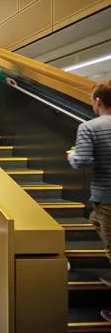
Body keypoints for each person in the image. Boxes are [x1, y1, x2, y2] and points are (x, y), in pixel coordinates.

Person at [67, 81, 111, 322]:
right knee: (95, 220)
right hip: (101, 204)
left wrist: (72, 155)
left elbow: (82, 161)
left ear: (97, 101)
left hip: (107, 198)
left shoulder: (90, 127)